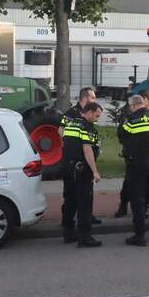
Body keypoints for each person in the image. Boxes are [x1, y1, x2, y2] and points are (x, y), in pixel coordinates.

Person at [120, 94, 149, 246]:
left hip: (137, 163)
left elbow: (122, 136)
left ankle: (139, 236)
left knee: (138, 199)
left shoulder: (131, 121)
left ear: (133, 106)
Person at [61, 102, 104, 248]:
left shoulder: (71, 124)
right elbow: (88, 150)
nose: (97, 119)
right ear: (89, 112)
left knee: (70, 201)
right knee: (85, 204)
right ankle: (84, 237)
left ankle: (68, 233)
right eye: (97, 115)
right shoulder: (87, 127)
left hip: (67, 167)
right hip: (81, 170)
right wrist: (95, 171)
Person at [114, 90, 149, 218]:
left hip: (147, 155)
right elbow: (122, 133)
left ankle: (143, 208)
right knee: (129, 182)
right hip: (132, 154)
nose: (145, 103)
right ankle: (124, 204)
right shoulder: (128, 115)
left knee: (147, 184)